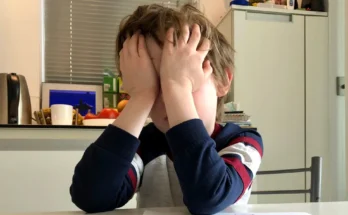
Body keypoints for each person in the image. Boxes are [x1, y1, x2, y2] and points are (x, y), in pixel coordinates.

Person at [70, 4, 263, 215]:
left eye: (184, 80)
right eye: (154, 82)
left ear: (223, 81)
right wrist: (142, 96)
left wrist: (177, 89)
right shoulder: (145, 144)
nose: (168, 97)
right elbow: (91, 197)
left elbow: (208, 197)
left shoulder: (244, 141)